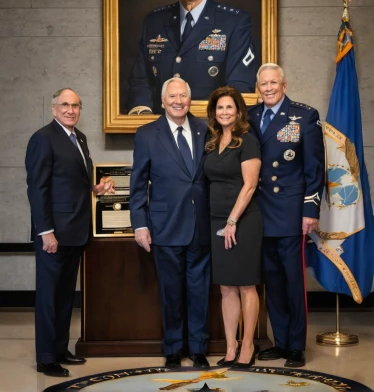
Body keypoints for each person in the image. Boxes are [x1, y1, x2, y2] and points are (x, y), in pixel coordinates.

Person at [25, 88, 115, 378]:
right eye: (64, 104)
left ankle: (61, 349)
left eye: (75, 105)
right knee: (49, 297)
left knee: (65, 295)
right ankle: (47, 357)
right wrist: (46, 231)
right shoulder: (43, 138)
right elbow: (38, 189)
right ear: (53, 108)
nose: (70, 109)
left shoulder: (80, 138)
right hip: (54, 234)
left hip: (77, 230)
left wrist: (96, 189)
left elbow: (74, 182)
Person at [130, 77, 211, 369]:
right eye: (173, 96)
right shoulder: (147, 134)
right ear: (162, 101)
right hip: (164, 226)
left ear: (190, 100)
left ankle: (199, 348)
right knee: (171, 291)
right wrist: (139, 224)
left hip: (200, 225)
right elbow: (138, 184)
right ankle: (174, 349)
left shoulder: (206, 129)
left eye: (183, 96)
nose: (178, 101)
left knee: (200, 290)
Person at [247, 64, 325, 368]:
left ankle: (296, 346)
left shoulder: (304, 115)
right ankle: (279, 342)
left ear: (284, 84)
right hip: (259, 211)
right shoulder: (251, 117)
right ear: (258, 87)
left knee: (293, 281)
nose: (268, 88)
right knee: (272, 282)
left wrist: (310, 210)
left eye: (273, 83)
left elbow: (314, 168)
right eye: (263, 84)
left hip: (291, 211)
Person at [126, 0, 257, 115]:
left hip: (210, 128)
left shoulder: (234, 22)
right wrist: (143, 115)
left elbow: (239, 84)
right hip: (161, 129)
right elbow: (140, 81)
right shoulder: (155, 21)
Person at [204, 86, 262, 368]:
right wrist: (222, 221)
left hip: (243, 220)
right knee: (226, 287)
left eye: (229, 107)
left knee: (245, 285)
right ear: (214, 113)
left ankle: (248, 346)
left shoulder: (247, 141)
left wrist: (232, 221)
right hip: (216, 220)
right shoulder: (212, 142)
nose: (224, 112)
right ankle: (231, 347)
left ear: (239, 111)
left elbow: (250, 185)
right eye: (219, 108)